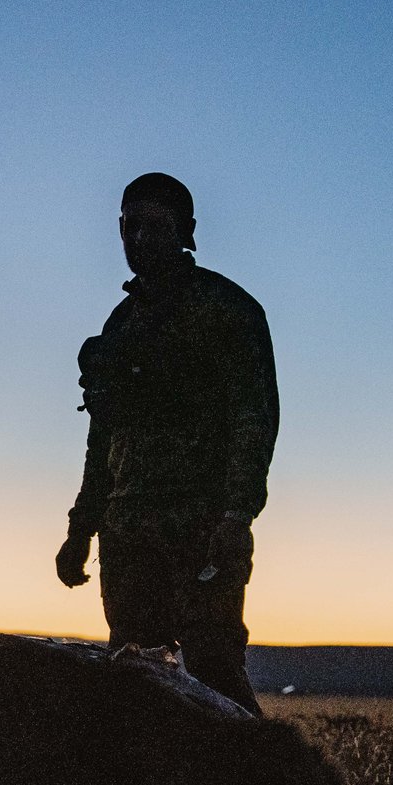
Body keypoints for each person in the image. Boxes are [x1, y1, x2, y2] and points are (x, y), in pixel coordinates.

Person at [56, 173, 277, 713]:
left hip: (201, 529)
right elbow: (102, 437)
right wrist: (81, 529)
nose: (140, 240)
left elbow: (256, 418)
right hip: (127, 531)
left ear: (187, 231)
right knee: (134, 680)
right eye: (130, 227)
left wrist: (235, 517)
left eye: (156, 227)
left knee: (215, 677)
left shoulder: (228, 310)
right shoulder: (120, 326)